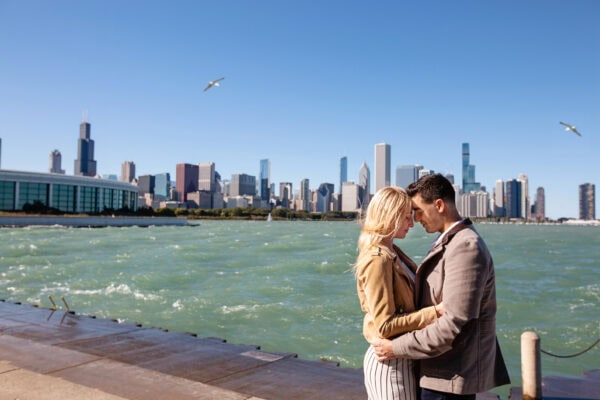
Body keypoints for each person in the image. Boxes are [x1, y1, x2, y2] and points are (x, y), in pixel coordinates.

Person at [372, 174, 510, 400]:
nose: (415, 219)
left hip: (449, 379)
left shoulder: (466, 246)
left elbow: (452, 326)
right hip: (438, 372)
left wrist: (394, 348)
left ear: (438, 205)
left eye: (417, 210)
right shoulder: (450, 241)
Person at [354, 186, 443, 400]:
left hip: (401, 357)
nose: (412, 224)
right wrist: (436, 312)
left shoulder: (393, 252)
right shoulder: (379, 259)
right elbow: (385, 325)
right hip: (389, 365)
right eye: (406, 218)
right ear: (390, 217)